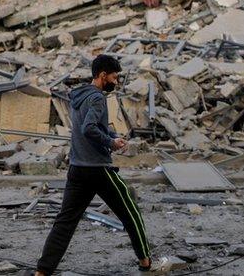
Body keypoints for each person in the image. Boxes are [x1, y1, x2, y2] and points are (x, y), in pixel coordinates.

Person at [33, 54, 168, 275]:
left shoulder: (79, 96)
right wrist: (111, 142)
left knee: (64, 223)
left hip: (77, 169)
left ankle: (42, 271)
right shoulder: (97, 98)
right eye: (114, 77)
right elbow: (88, 128)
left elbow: (89, 126)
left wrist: (111, 134)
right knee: (131, 213)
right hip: (98, 169)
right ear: (103, 75)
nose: (116, 82)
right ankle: (146, 263)